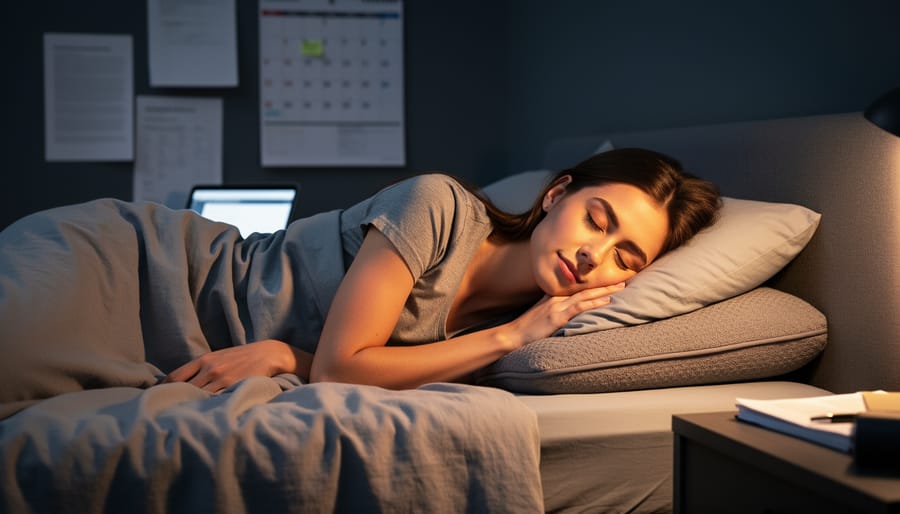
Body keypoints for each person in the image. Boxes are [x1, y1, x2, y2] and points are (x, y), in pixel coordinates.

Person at [0, 148, 720, 405]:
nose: (597, 256)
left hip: (186, 346)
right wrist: (512, 334)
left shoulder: (501, 345)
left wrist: (289, 356)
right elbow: (346, 368)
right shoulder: (438, 204)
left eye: (629, 257)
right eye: (598, 218)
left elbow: (347, 368)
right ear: (557, 195)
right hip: (140, 267)